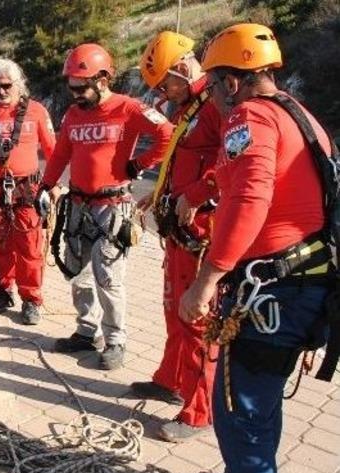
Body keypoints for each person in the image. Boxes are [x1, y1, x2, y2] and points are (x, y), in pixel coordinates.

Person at [179, 23, 337, 473]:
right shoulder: (297, 113)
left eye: (211, 85)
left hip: (275, 294)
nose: (208, 96)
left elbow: (250, 198)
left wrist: (206, 280)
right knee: (258, 404)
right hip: (303, 284)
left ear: (231, 81)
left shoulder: (250, 118)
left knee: (241, 412)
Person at [41, 43, 173, 370]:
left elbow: (167, 135)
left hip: (111, 207)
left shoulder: (128, 108)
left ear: (102, 80)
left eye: (80, 87)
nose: (74, 95)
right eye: (70, 88)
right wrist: (45, 186)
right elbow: (60, 154)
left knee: (109, 275)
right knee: (78, 272)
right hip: (77, 204)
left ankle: (115, 340)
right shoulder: (73, 114)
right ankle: (87, 331)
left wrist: (138, 165)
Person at [129, 31, 224, 442]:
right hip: (181, 232)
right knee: (174, 310)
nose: (162, 95)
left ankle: (200, 409)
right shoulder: (192, 107)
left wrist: (198, 192)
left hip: (203, 235)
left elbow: (238, 162)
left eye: (165, 85)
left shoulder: (219, 108)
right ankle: (171, 378)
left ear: (183, 71)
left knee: (198, 318)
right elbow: (182, 158)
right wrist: (161, 191)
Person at [0, 58, 56, 325]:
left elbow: (54, 152)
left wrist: (54, 186)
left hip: (27, 190)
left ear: (18, 84)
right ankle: (4, 291)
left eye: (6, 85)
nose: (2, 91)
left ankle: (31, 300)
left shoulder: (37, 112)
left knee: (29, 246)